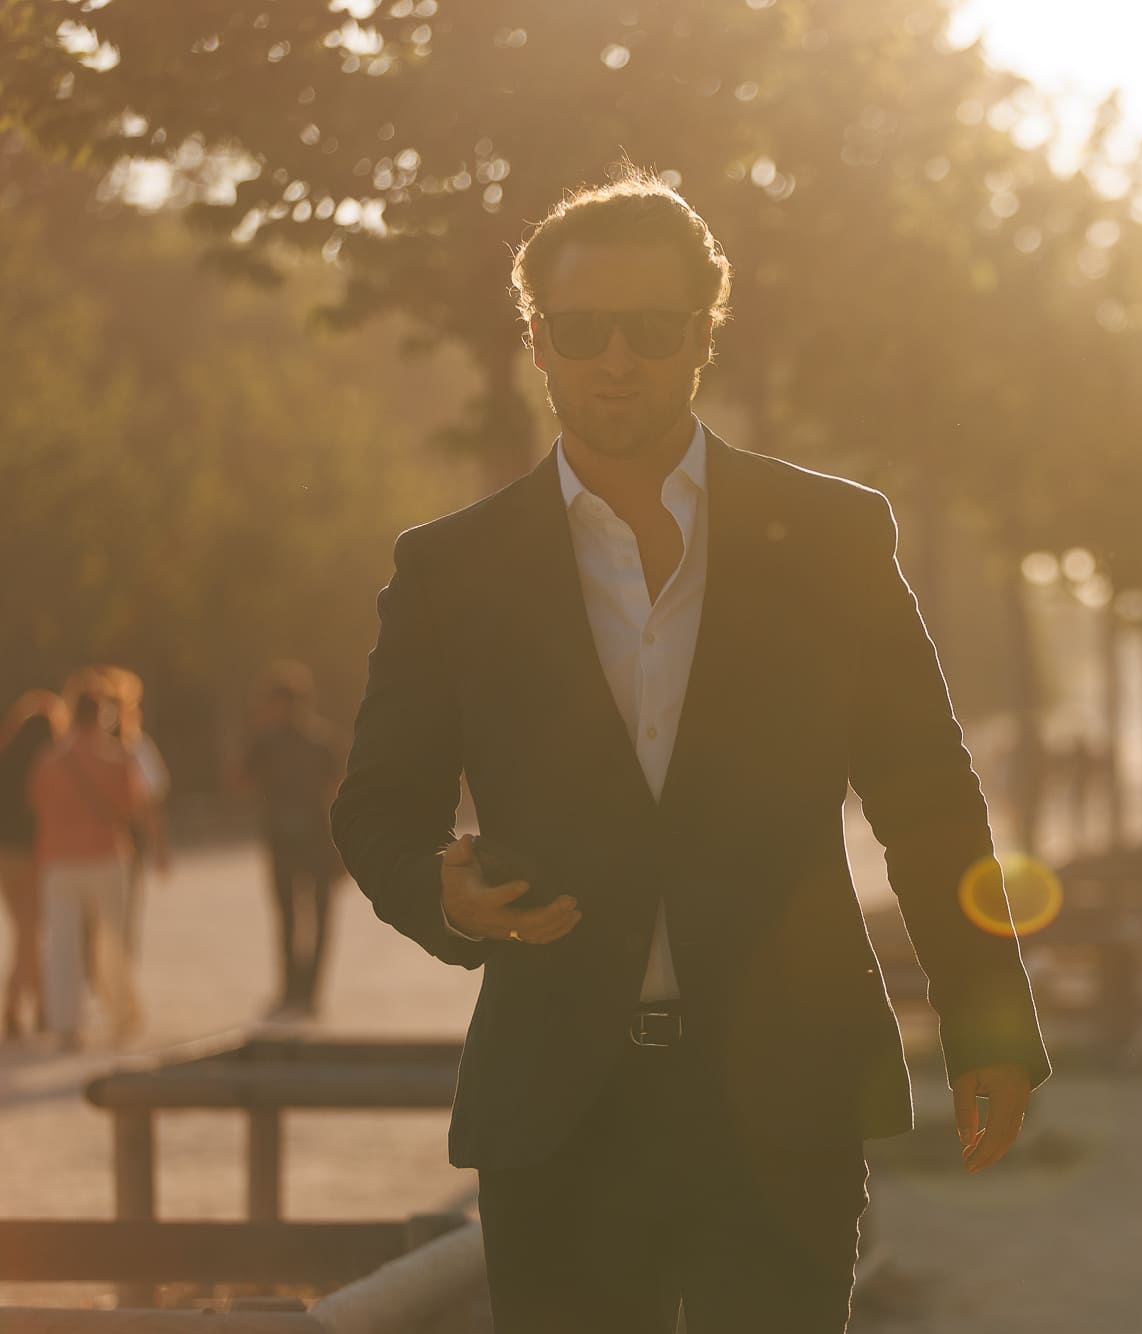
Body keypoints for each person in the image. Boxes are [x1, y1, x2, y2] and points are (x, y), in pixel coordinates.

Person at [331, 167, 1050, 1333]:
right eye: (582, 330)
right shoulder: (449, 568)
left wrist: (989, 1023)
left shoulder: (832, 536)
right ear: (538, 344)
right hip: (557, 1107)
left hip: (782, 1101)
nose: (617, 357)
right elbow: (376, 805)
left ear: (705, 335)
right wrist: (441, 893)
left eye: (653, 329)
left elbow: (926, 794)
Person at [29, 679, 162, 1049]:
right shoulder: (117, 757)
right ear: (102, 714)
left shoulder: (50, 759)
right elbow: (131, 807)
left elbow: (36, 801)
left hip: (57, 859)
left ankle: (67, 1026)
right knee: (111, 940)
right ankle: (119, 1012)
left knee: (63, 942)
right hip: (104, 856)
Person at [240, 662, 345, 1018]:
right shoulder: (314, 741)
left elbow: (336, 794)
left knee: (303, 917)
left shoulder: (283, 742)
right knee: (298, 918)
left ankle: (301, 991)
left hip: (303, 841)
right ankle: (299, 990)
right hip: (297, 841)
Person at [0, 690, 68, 1038]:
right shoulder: (49, 762)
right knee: (30, 933)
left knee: (27, 932)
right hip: (36, 853)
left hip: (6, 855)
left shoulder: (6, 756)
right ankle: (14, 1009)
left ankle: (43, 1008)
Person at [91, 665, 170, 962]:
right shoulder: (135, 746)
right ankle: (116, 972)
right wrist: (160, 846)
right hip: (124, 842)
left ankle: (107, 970)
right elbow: (150, 801)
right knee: (121, 913)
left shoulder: (72, 746)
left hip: (93, 842)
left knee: (104, 915)